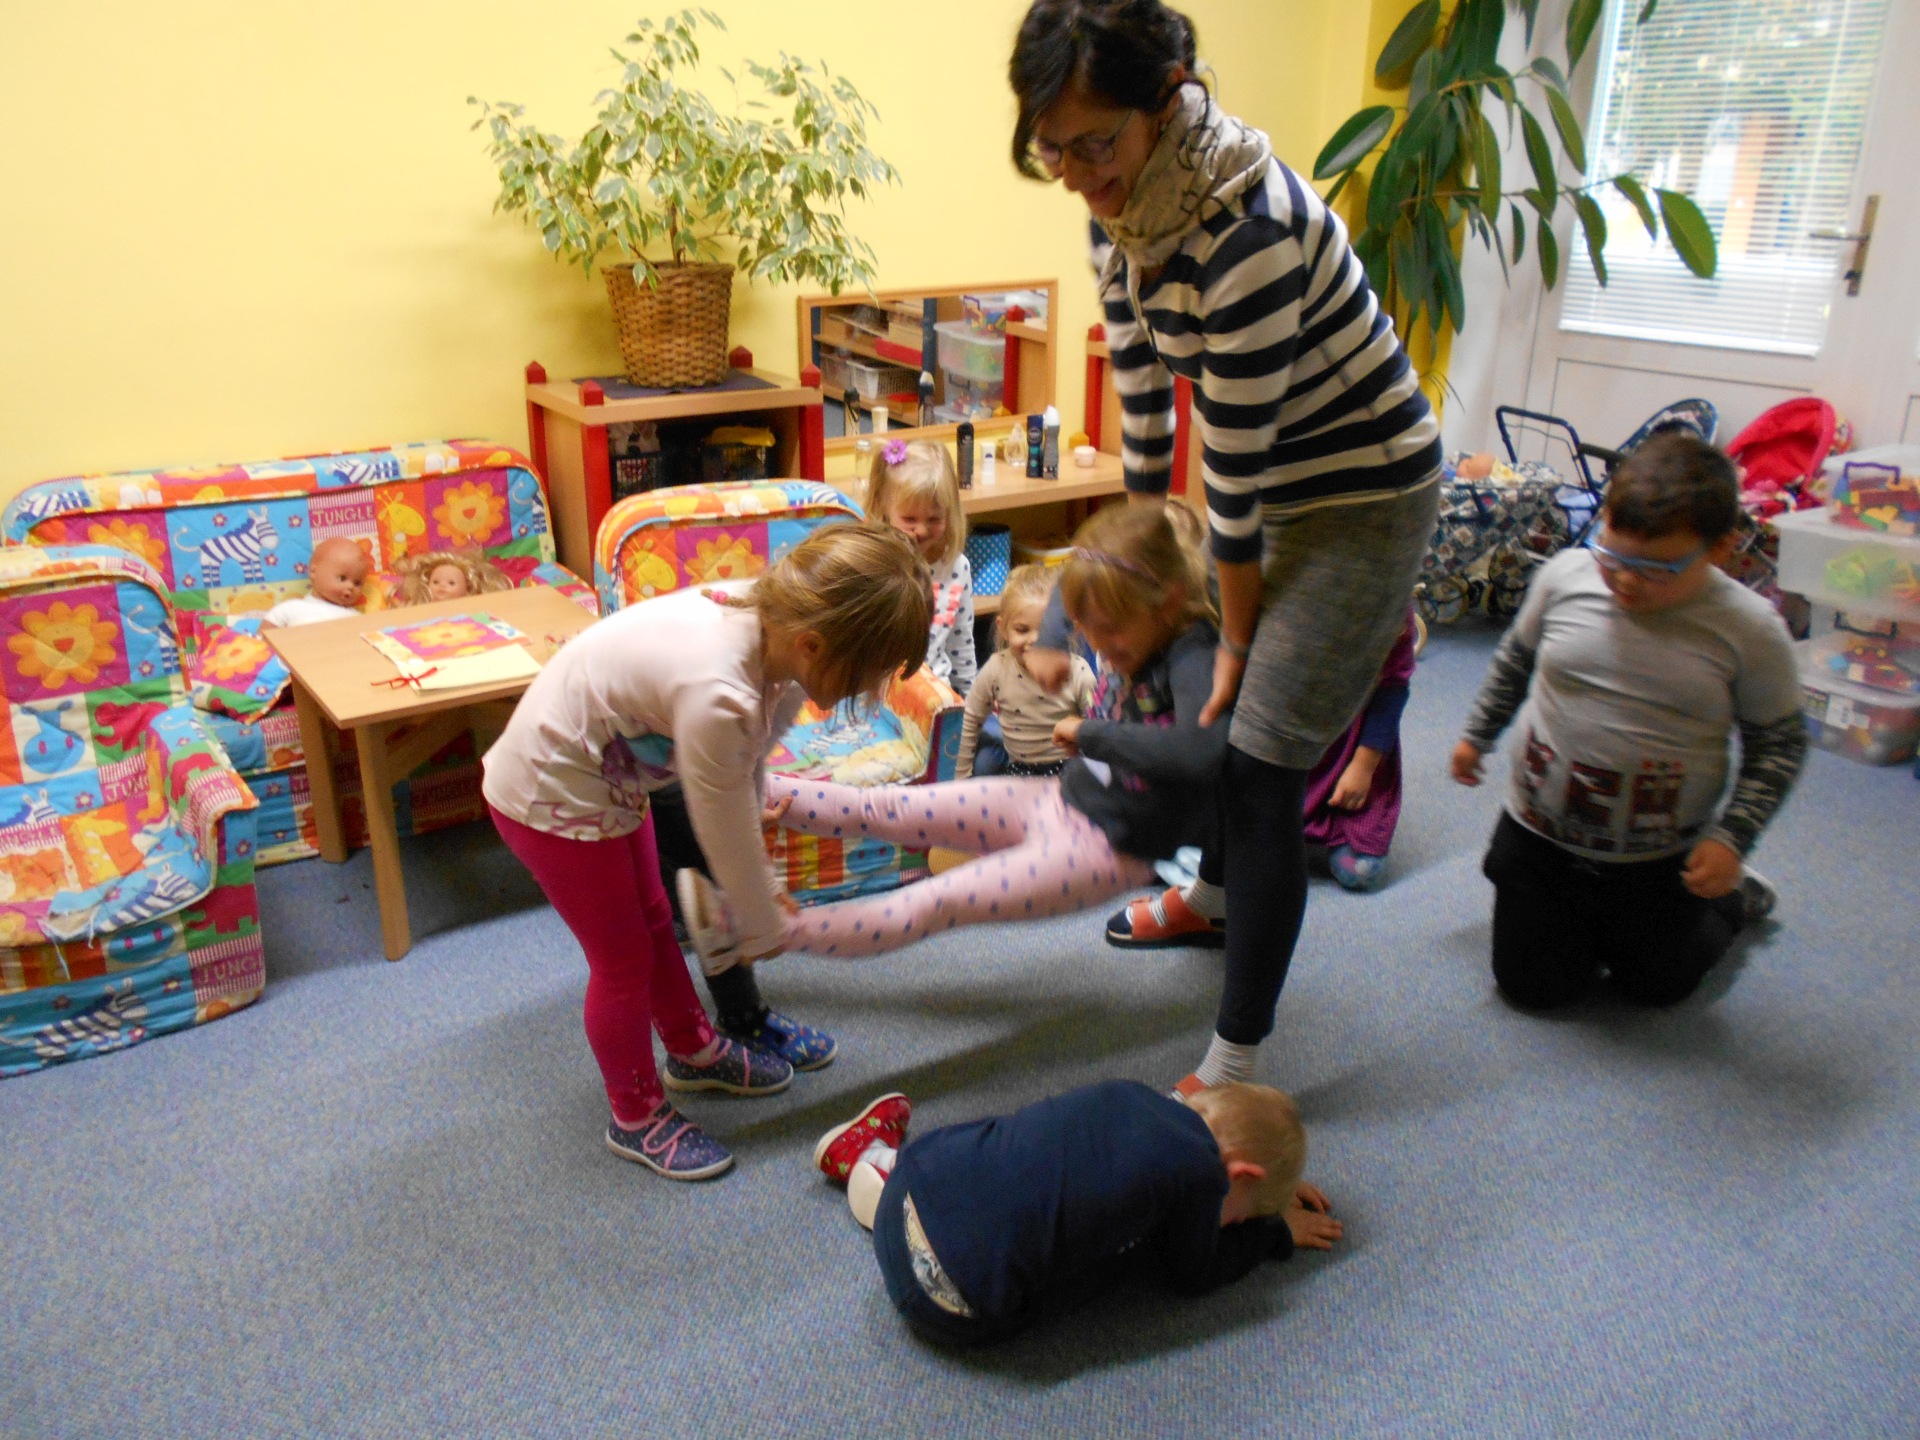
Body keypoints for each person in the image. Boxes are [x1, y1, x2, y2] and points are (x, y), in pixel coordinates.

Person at [1009, 0, 1443, 1094]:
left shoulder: (1248, 231)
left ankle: (1237, 1062)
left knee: (1252, 765)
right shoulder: (1120, 213)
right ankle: (1211, 901)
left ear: (1167, 98)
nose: (1077, 175)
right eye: (1053, 148)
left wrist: (1235, 644)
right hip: (1267, 487)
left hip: (1361, 496)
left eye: (1096, 143)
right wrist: (1116, 578)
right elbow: (1146, 415)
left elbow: (1233, 484)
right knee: (1202, 703)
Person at [481, 525, 932, 1180]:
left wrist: (759, 885)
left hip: (609, 779)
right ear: (814, 644)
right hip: (552, 793)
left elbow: (749, 757)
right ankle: (634, 1116)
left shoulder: (778, 628)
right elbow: (717, 817)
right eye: (867, 674)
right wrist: (761, 919)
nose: (868, 691)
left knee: (654, 917)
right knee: (622, 960)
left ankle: (692, 1049)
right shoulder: (719, 687)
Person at [676, 504, 1223, 967]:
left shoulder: (1193, 654)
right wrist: (1054, 640)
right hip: (1058, 799)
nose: (1100, 646)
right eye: (1090, 629)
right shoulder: (1132, 612)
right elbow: (1073, 579)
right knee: (884, 807)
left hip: (1107, 851)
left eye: (1111, 633)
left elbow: (1201, 754)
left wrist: (1091, 733)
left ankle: (748, 931)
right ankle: (731, 790)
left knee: (932, 903)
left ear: (1168, 600)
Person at [1450, 432, 1807, 1009]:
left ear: (1720, 548)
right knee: (1533, 992)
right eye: (1612, 555)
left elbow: (1779, 745)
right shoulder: (1565, 577)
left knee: (1656, 989)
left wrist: (1732, 839)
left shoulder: (1751, 630)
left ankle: (1730, 900)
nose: (1625, 580)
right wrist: (1477, 736)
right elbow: (1516, 662)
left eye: (1657, 568)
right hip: (1539, 839)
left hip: (1658, 859)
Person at [809, 1079, 1341, 1346]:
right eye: (1241, 1215)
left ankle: (876, 1162)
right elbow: (1194, 1272)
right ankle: (910, 1215)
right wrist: (1270, 1233)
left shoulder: (1131, 1094)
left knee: (1009, 1152)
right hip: (950, 1304)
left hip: (913, 1184)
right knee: (1124, 1265)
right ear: (1241, 1174)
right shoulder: (1202, 1176)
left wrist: (1265, 1192)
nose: (1234, 1222)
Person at [1111, 605, 1420, 948]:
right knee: (1247, 830)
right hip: (1284, 732)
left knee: (1359, 873)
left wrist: (1363, 766)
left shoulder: (1387, 611)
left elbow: (1393, 688)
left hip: (1347, 748)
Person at [955, 564, 1096, 780]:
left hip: (1068, 768)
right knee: (984, 762)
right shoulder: (996, 669)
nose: (1034, 640)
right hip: (1019, 766)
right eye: (1022, 630)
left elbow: (1097, 730)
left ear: (1070, 630)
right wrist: (961, 776)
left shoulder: (1079, 673)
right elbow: (971, 717)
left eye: (1046, 631)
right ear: (1003, 628)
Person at [867, 438, 976, 693]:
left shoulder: (956, 567)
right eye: (909, 519)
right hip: (880, 695)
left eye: (934, 519)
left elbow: (961, 645)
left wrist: (970, 702)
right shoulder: (873, 563)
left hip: (936, 695)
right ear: (883, 507)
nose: (922, 530)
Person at [261, 536, 367, 627]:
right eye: (342, 578)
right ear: (313, 572)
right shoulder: (294, 607)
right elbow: (263, 636)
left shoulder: (356, 617)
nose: (350, 587)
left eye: (357, 583)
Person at [396, 549, 511, 606]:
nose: (442, 586)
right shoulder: (423, 608)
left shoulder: (471, 608)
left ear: (467, 588)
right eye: (435, 582)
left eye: (451, 583)